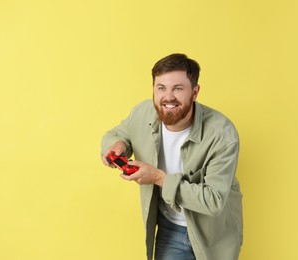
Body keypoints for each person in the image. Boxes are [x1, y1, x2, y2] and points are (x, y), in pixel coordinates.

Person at [100, 53, 243, 260]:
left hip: (214, 236)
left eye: (177, 88)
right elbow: (116, 135)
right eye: (161, 88)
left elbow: (213, 200)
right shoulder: (143, 113)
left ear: (195, 92)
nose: (168, 97)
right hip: (170, 229)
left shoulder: (222, 134)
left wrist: (158, 178)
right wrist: (119, 144)